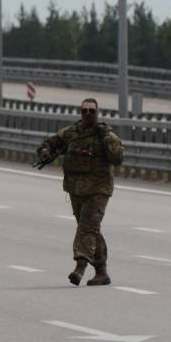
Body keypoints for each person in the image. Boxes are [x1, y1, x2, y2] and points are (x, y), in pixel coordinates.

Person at [37, 97, 125, 286]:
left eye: (91, 111)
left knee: (86, 228)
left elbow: (118, 158)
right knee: (91, 230)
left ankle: (80, 268)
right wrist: (45, 153)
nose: (87, 114)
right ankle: (102, 272)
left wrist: (108, 138)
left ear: (97, 113)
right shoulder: (72, 133)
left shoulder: (105, 134)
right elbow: (50, 143)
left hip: (98, 190)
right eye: (84, 111)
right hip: (76, 189)